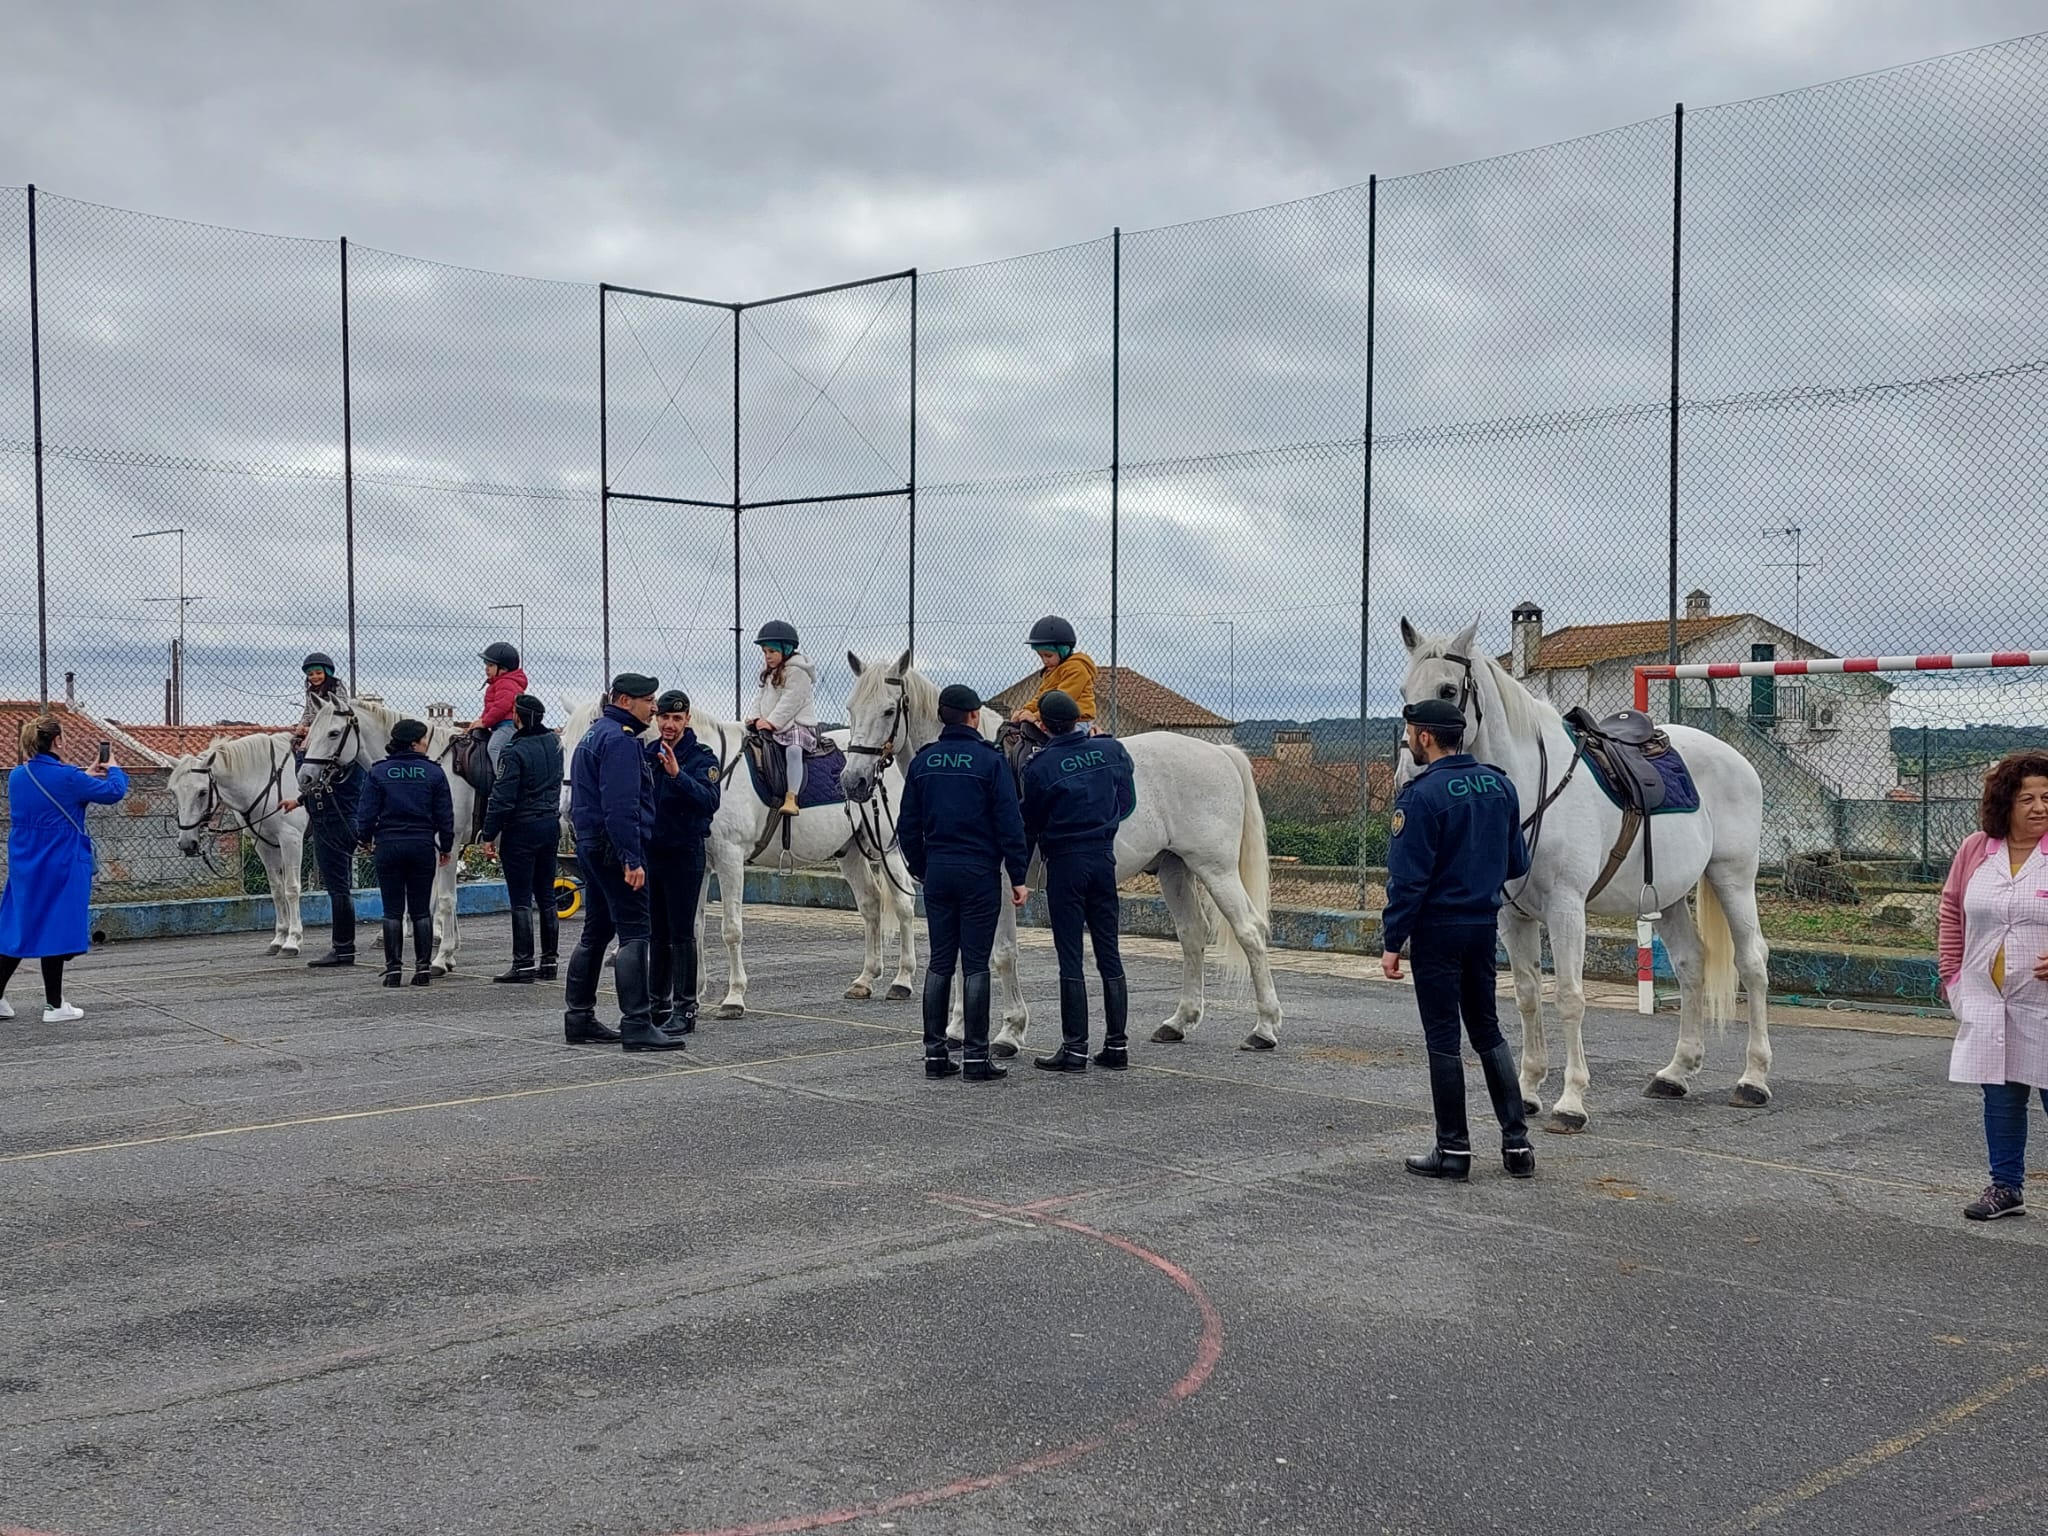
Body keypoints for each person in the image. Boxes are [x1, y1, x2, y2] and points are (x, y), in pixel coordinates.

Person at [1379, 697, 1534, 1182]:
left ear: (1425, 737)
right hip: (1483, 925)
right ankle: (1517, 1145)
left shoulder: (1419, 796)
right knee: (1487, 1029)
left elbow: (1408, 881)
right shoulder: (1500, 785)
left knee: (1443, 1037)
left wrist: (1392, 940)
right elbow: (1517, 864)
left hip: (1437, 931)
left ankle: (1453, 1150)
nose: (1408, 742)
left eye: (1410, 734)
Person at [1937, 751, 2048, 1222]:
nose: (2040, 807)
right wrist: (1953, 978)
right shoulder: (1976, 849)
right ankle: (2006, 1188)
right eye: (2028, 798)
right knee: (2001, 1100)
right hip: (1986, 998)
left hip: (2042, 1003)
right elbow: (1950, 911)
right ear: (2005, 802)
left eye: (2047, 797)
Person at [899, 683, 1029, 1082]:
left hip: (938, 871)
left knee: (940, 962)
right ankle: (976, 1057)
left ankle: (935, 1055)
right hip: (979, 873)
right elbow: (1010, 823)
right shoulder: (989, 761)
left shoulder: (923, 762)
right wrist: (1019, 876)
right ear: (975, 716)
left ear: (941, 717)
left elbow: (908, 826)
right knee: (975, 964)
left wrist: (923, 867)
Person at [565, 673, 684, 1051]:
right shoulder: (620, 741)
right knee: (636, 933)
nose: (654, 707)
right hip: (614, 849)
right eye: (648, 700)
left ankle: (579, 1017)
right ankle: (637, 1022)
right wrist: (631, 858)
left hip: (589, 844)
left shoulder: (595, 734)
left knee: (596, 932)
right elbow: (621, 807)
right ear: (624, 700)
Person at [1022, 689, 1137, 1073]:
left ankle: (1074, 1048)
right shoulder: (1110, 750)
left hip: (1066, 863)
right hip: (1104, 859)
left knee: (1070, 957)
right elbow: (1128, 799)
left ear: (1043, 726)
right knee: (1110, 954)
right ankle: (1117, 1046)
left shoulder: (1040, 766)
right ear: (1079, 720)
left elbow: (1032, 824)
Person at [0, 715, 129, 1024]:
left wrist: (81, 776)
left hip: (25, 860)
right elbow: (114, 792)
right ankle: (55, 1006)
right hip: (60, 860)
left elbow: (49, 794)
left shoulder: (18, 776)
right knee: (56, 928)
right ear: (57, 741)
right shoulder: (70, 778)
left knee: (18, 927)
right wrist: (113, 768)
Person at [354, 718, 454, 988]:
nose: (426, 744)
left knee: (392, 910)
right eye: (423, 740)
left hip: (388, 845)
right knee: (421, 910)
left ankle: (393, 971)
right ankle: (422, 970)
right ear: (414, 743)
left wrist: (364, 839)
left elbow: (366, 813)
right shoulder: (433, 772)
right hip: (422, 845)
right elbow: (445, 816)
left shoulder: (378, 771)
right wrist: (445, 846)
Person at [647, 689, 722, 1034]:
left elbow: (709, 801)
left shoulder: (701, 757)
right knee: (656, 933)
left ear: (687, 719)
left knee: (681, 933)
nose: (670, 724)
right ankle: (656, 1004)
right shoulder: (648, 753)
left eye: (677, 718)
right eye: (664, 717)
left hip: (684, 854)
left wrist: (678, 775)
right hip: (653, 854)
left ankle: (685, 1008)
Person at [479, 694, 563, 985]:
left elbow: (502, 797)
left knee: (520, 898)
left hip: (521, 829)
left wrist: (488, 833)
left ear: (519, 716)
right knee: (547, 895)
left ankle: (523, 963)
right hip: (550, 825)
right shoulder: (555, 743)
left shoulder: (514, 750)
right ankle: (550, 960)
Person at [293, 651, 361, 968]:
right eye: (310, 673)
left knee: (338, 886)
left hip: (335, 819)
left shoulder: (339, 693)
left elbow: (339, 712)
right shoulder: (310, 696)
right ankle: (344, 946)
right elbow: (310, 717)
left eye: (318, 672)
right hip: (326, 812)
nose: (314, 677)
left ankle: (344, 947)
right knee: (301, 753)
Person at [749, 620, 818, 817]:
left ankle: (791, 797)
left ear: (786, 649)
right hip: (773, 724)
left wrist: (771, 722)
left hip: (797, 725)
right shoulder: (768, 674)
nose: (767, 656)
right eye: (765, 652)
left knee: (794, 751)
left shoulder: (798, 672)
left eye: (772, 651)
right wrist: (754, 718)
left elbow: (790, 703)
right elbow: (759, 697)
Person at [1009, 616, 1098, 736]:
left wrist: (1035, 717)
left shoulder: (1076, 669)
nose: (1044, 661)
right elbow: (1040, 698)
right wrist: (1025, 711)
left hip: (1075, 723)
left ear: (1064, 650)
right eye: (1041, 656)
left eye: (1048, 655)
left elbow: (1060, 702)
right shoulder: (1051, 671)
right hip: (1054, 721)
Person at [477, 641, 529, 771]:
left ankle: (501, 777)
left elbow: (501, 707)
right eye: (486, 665)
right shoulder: (498, 683)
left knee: (494, 747)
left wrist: (485, 722)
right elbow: (490, 708)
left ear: (503, 669)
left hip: (508, 726)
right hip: (501, 726)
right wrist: (480, 721)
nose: (486, 669)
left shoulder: (506, 683)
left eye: (490, 665)